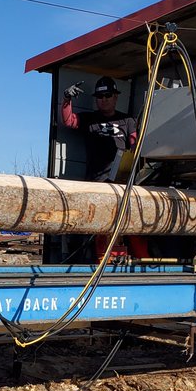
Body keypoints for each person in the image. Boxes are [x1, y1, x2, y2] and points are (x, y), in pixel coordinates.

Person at [58, 77, 149, 259]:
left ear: (115, 97)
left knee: (132, 226)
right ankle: (103, 264)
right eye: (100, 96)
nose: (104, 99)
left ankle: (144, 263)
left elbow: (135, 147)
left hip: (123, 185)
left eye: (108, 95)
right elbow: (69, 121)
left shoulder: (127, 121)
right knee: (101, 226)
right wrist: (67, 99)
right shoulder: (89, 119)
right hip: (96, 184)